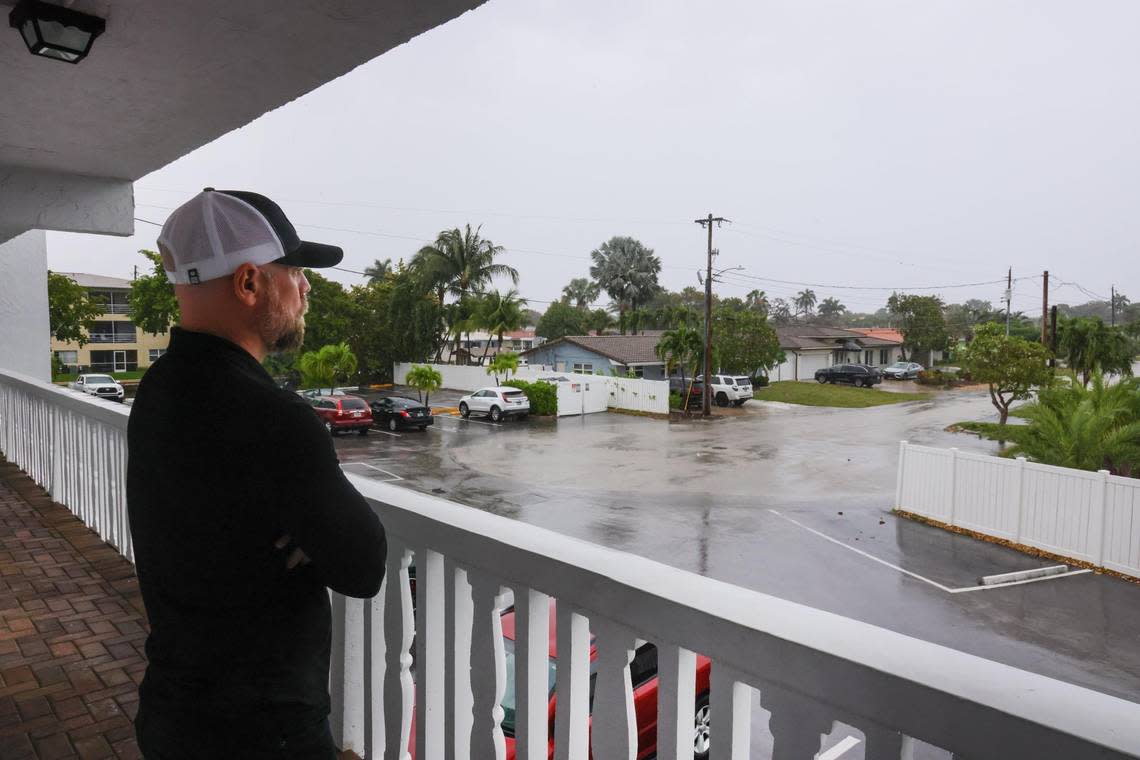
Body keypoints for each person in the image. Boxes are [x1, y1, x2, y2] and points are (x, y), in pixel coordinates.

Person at [127, 189, 387, 758]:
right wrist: (312, 535)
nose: (306, 286)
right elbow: (364, 566)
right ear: (249, 283)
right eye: (292, 270)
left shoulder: (159, 388)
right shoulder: (274, 416)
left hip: (174, 712)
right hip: (264, 733)